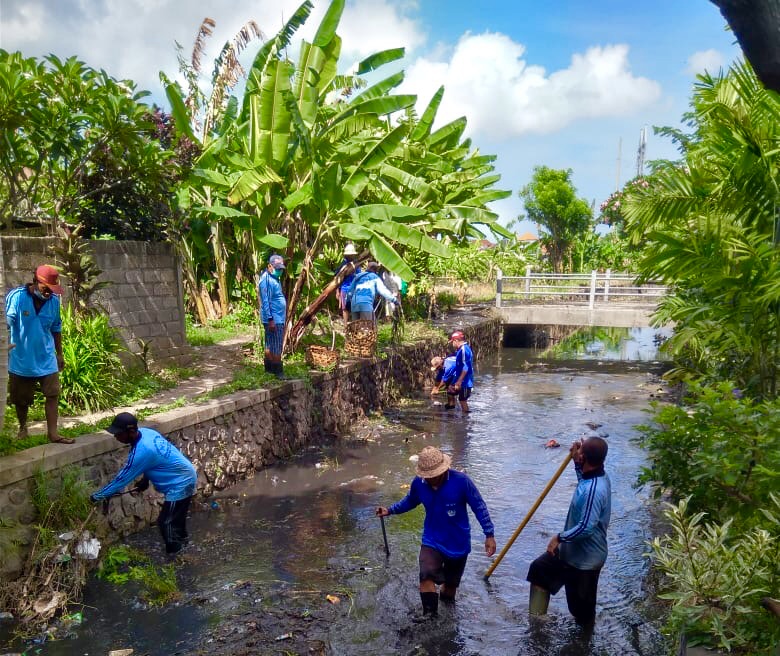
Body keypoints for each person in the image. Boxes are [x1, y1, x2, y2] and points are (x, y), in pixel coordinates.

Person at [376, 446, 496, 619]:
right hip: (432, 539)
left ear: (444, 469)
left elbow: (479, 506)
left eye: (435, 476)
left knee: (449, 590)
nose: (431, 480)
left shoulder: (462, 482)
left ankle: (448, 619)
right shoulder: (419, 483)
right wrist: (390, 510)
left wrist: (489, 534)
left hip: (458, 542)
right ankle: (429, 617)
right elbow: (410, 500)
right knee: (425, 575)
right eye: (428, 477)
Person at [526, 436, 611, 626]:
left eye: (580, 452)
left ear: (585, 459)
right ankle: (537, 626)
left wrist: (559, 537)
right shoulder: (595, 475)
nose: (577, 452)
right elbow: (584, 482)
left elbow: (586, 528)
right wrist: (576, 461)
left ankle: (583, 645)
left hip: (585, 560)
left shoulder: (594, 490)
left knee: (582, 614)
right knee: (539, 570)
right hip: (571, 553)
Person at [91, 412, 198, 555]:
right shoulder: (147, 433)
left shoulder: (142, 451)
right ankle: (184, 546)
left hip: (180, 483)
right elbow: (155, 461)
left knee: (166, 523)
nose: (116, 437)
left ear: (131, 431)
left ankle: (176, 558)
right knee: (176, 521)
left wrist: (97, 496)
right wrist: (145, 480)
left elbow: (121, 480)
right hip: (186, 474)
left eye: (119, 433)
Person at [5, 264, 73, 444]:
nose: (49, 293)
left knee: (52, 394)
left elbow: (56, 328)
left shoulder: (53, 302)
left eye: (52, 289)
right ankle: (22, 428)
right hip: (21, 358)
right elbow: (7, 322)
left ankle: (53, 433)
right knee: (21, 400)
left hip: (46, 357)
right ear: (36, 281)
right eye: (46, 288)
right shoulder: (17, 297)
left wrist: (59, 354)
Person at [258, 254, 287, 378]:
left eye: (281, 269)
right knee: (276, 345)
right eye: (277, 268)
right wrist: (271, 320)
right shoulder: (267, 280)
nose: (279, 271)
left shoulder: (274, 279)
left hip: (276, 317)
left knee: (270, 344)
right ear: (269, 266)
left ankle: (270, 371)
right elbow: (265, 301)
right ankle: (278, 371)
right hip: (274, 318)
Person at [448, 330, 474, 413]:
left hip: (465, 382)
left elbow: (466, 367)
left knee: (462, 400)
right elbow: (459, 367)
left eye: (452, 342)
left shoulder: (464, 350)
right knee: (450, 391)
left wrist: (459, 382)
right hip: (459, 379)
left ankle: (465, 420)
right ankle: (451, 410)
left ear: (456, 341)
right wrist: (454, 382)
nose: (452, 344)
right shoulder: (460, 350)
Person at [335, 243, 360, 326]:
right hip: (344, 288)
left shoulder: (356, 265)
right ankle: (345, 325)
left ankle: (354, 325)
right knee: (345, 308)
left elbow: (359, 277)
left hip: (354, 289)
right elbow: (337, 278)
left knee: (354, 307)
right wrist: (337, 291)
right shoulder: (343, 265)